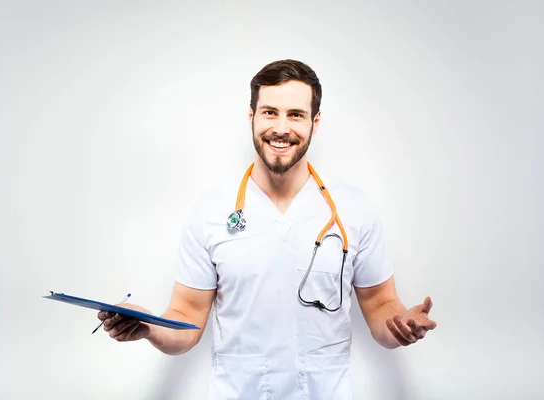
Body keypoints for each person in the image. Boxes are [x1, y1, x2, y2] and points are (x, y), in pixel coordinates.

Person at [97, 59, 437, 399]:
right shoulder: (211, 212)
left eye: (295, 114)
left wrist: (401, 326)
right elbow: (187, 318)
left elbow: (380, 306)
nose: (281, 127)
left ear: (315, 122)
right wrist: (149, 325)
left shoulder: (354, 208)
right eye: (270, 112)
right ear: (252, 117)